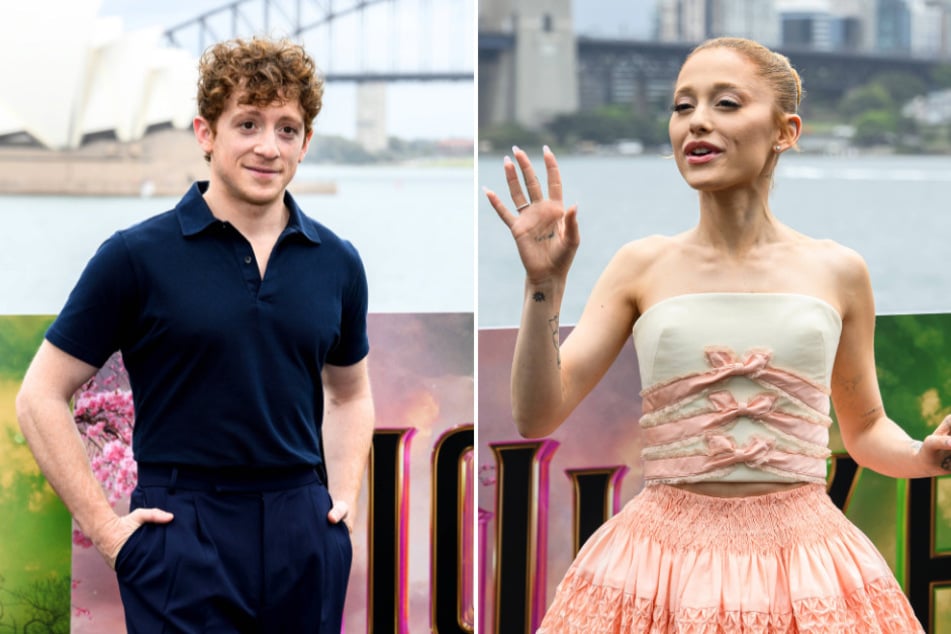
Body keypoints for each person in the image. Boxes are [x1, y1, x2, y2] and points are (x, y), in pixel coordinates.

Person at [484, 36, 951, 631]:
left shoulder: (840, 270)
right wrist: (542, 284)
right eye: (683, 106)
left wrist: (922, 455)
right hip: (659, 566)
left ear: (786, 131)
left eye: (725, 103)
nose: (697, 122)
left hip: (804, 562)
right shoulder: (639, 264)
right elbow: (536, 415)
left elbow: (862, 430)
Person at [16, 37, 373, 632]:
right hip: (181, 534)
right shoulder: (135, 256)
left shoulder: (337, 261)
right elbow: (39, 396)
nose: (268, 146)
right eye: (248, 123)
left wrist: (341, 505)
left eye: (287, 129)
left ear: (306, 143)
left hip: (302, 531)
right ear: (206, 133)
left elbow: (349, 393)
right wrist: (110, 535)